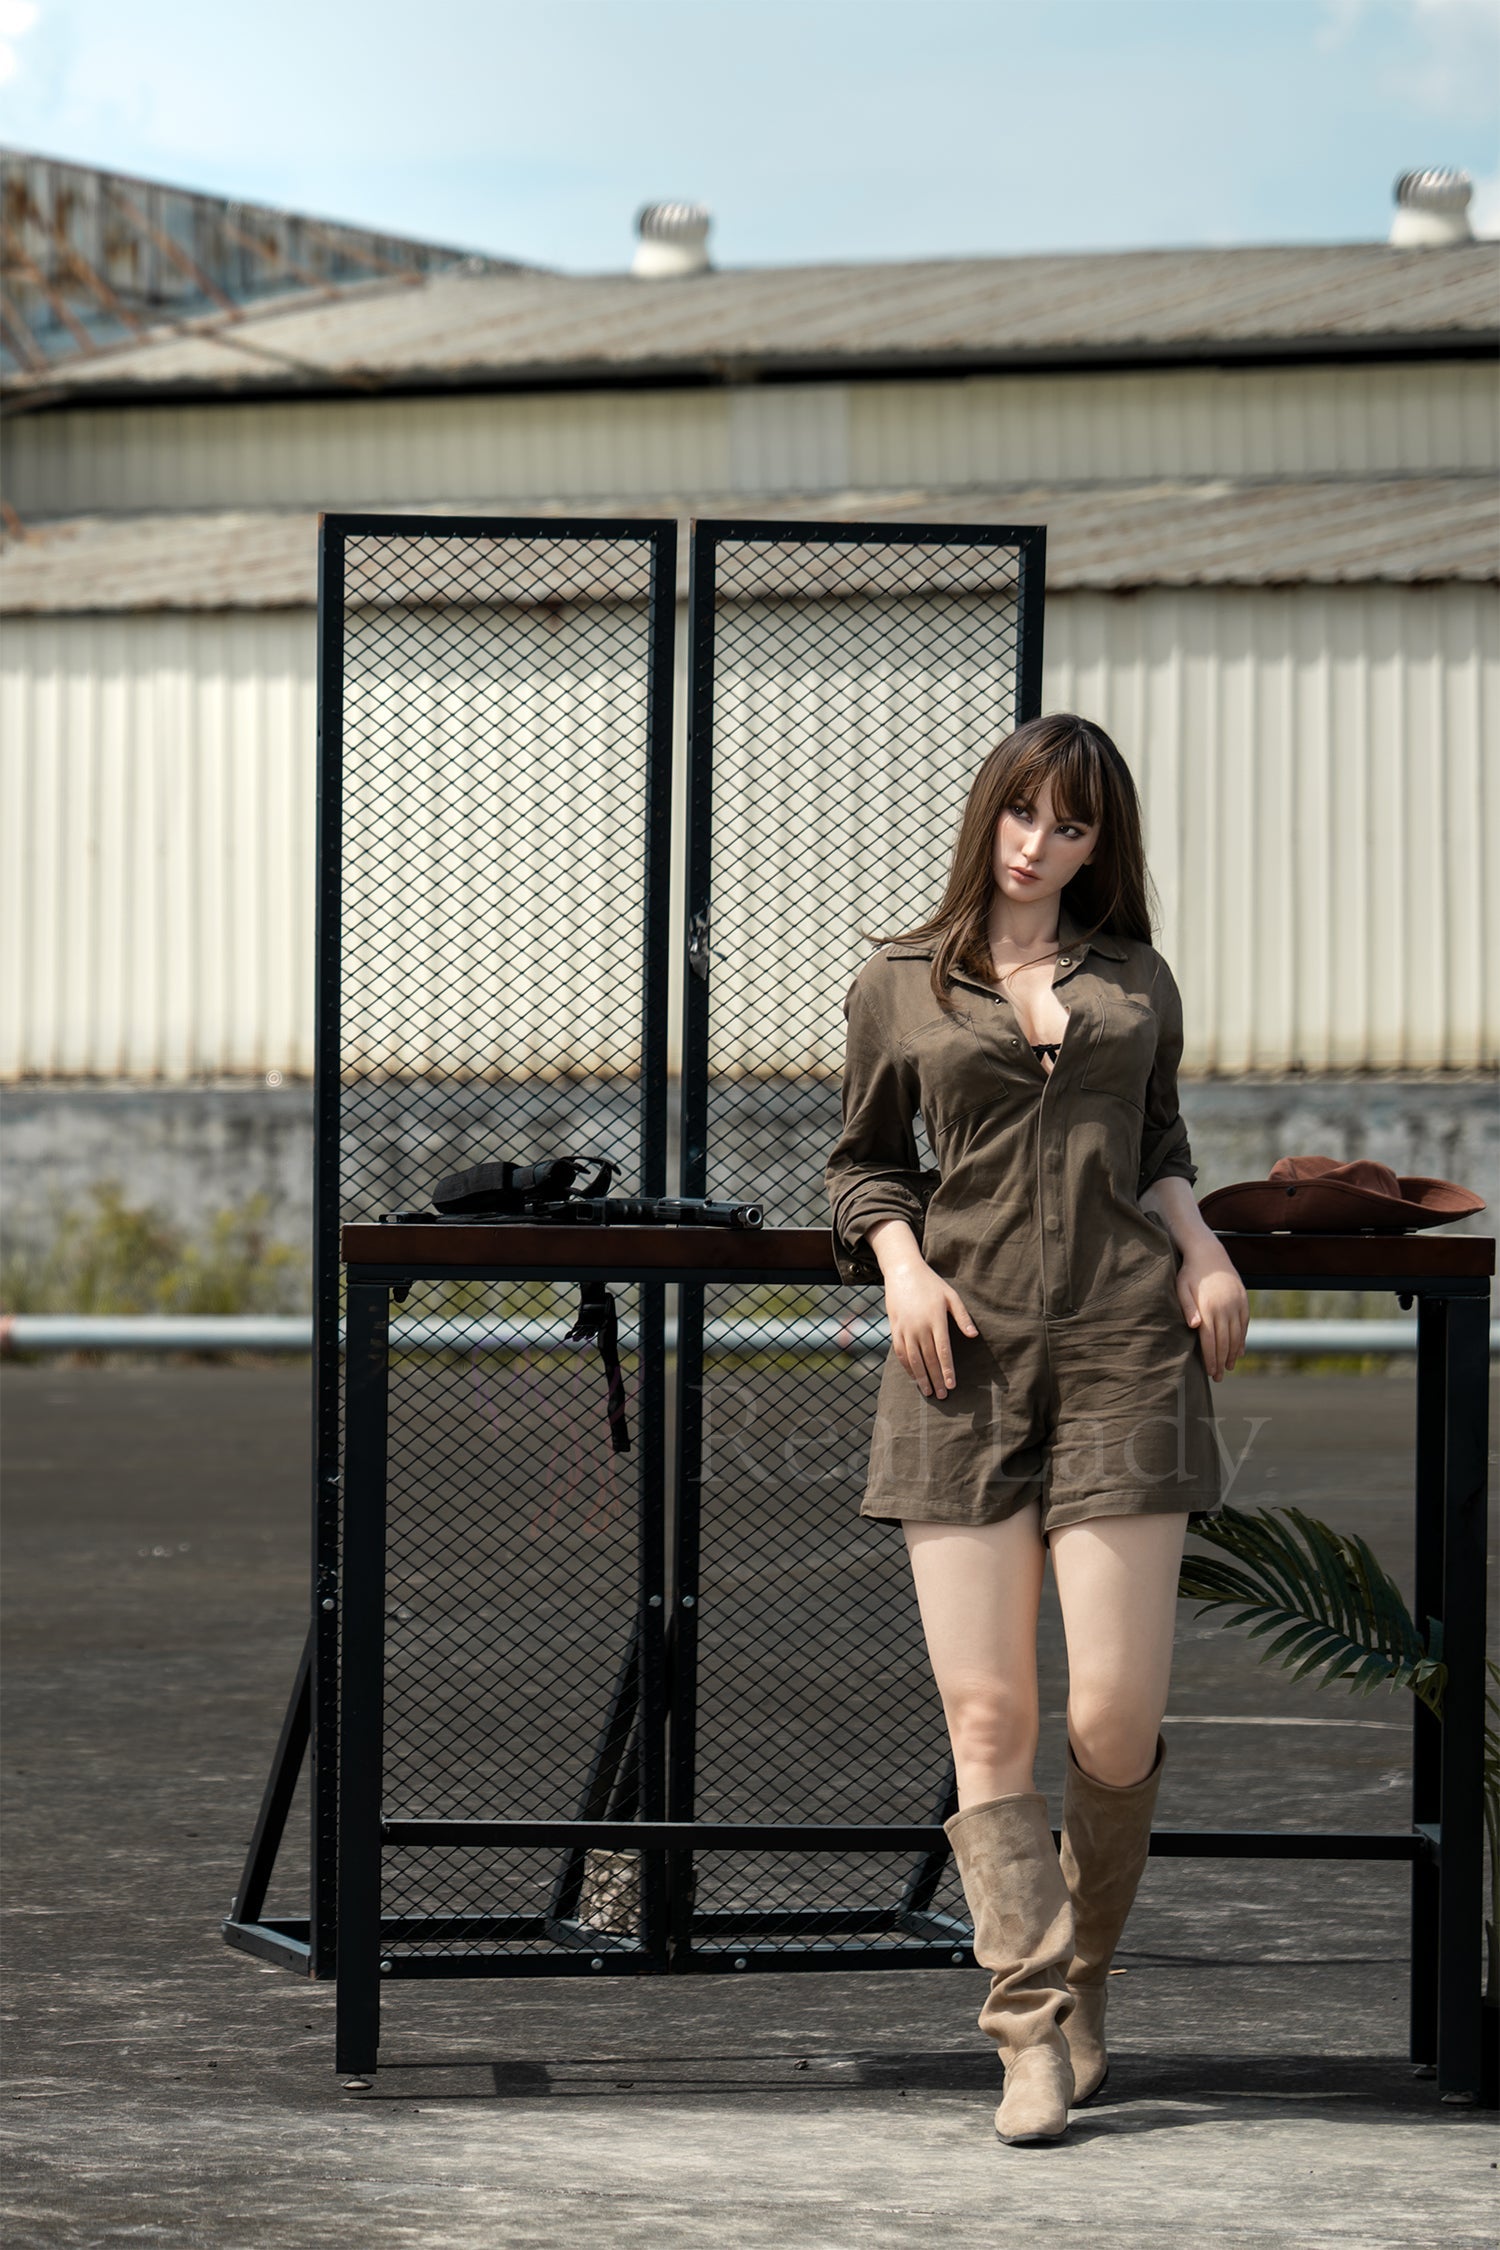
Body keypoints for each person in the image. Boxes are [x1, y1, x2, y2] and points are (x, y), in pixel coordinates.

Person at [824, 712, 1249, 2147]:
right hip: (963, 1358)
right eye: (1023, 813)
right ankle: (1025, 2028)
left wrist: (1202, 1246)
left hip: (1129, 1348)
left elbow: (1159, 1141)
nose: (1038, 845)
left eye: (1071, 825)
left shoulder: (1134, 977)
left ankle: (1087, 1979)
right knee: (989, 1714)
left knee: (1112, 1713)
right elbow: (864, 1164)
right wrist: (903, 1268)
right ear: (987, 812)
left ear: (1097, 844)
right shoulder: (902, 980)